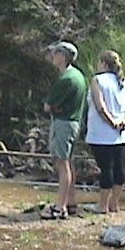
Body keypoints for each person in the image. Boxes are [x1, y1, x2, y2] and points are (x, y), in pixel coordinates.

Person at [40, 42, 87, 219]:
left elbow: (48, 106)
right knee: (69, 162)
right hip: (73, 123)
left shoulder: (66, 79)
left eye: (55, 53)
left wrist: (53, 108)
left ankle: (60, 207)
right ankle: (71, 201)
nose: (53, 56)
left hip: (63, 124)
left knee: (62, 164)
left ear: (63, 56)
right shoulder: (78, 75)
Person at [85, 51, 125, 214]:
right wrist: (123, 121)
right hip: (121, 133)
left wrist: (112, 122)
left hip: (101, 133)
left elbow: (100, 107)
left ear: (103, 64)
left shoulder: (97, 80)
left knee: (106, 169)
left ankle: (103, 205)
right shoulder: (123, 82)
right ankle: (114, 203)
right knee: (119, 168)